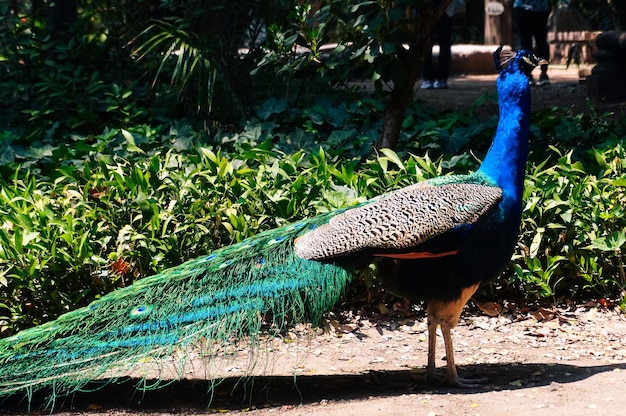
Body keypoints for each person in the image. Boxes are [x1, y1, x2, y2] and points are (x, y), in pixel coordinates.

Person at [421, 0, 464, 90]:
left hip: (443, 6)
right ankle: (434, 78)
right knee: (426, 41)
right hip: (428, 6)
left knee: (440, 42)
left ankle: (435, 78)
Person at [513, 0, 551, 86]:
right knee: (525, 43)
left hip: (540, 8)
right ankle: (527, 74)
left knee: (541, 42)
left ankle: (544, 73)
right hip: (521, 7)